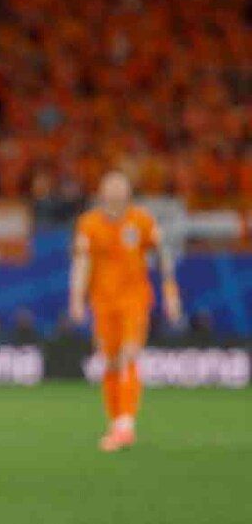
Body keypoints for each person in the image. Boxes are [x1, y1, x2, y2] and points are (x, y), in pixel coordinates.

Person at [69, 170, 182, 452]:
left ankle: (126, 425)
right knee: (109, 362)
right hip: (103, 304)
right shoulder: (88, 224)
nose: (116, 191)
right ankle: (116, 421)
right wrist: (77, 298)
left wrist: (170, 292)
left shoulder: (141, 221)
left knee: (129, 354)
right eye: (110, 186)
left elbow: (163, 254)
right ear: (101, 192)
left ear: (128, 191)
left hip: (134, 300)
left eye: (121, 186)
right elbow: (82, 263)